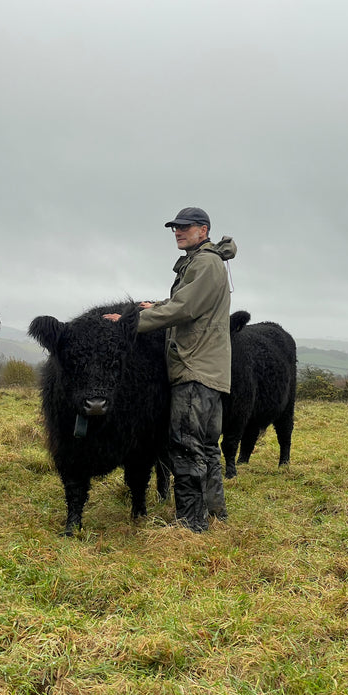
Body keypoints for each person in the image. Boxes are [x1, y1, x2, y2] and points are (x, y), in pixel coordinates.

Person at [104, 207, 237, 532]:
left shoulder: (205, 263)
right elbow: (185, 302)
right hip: (210, 370)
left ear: (203, 230)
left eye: (185, 227)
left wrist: (130, 323)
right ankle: (215, 514)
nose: (177, 232)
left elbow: (186, 308)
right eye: (174, 228)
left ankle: (191, 524)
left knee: (184, 444)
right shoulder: (205, 261)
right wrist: (157, 306)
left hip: (193, 367)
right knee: (206, 445)